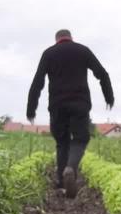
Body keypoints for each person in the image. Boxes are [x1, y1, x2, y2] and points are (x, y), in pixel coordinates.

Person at [27, 29, 114, 198]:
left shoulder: (49, 53)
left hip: (57, 105)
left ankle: (62, 183)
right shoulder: (82, 50)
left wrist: (31, 108)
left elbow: (38, 81)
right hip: (79, 104)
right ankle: (71, 169)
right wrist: (108, 96)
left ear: (56, 39)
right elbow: (102, 74)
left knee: (62, 142)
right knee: (80, 138)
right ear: (71, 38)